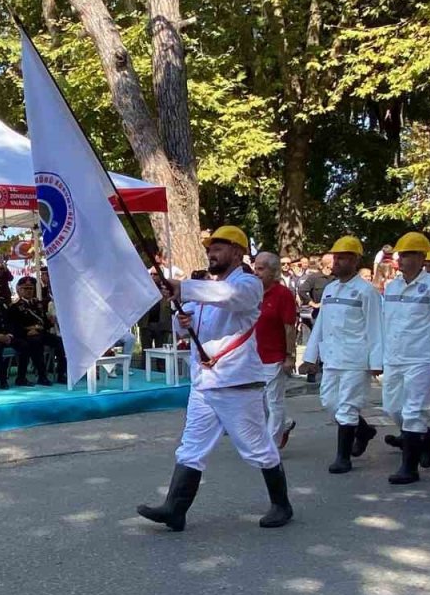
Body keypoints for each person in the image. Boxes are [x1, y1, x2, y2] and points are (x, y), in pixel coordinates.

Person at [135, 226, 293, 532]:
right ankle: (175, 509)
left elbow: (230, 298)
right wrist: (183, 319)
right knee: (191, 447)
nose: (211, 252)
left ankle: (281, 504)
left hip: (236, 383)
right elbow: (188, 322)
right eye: (210, 248)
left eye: (219, 247)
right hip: (205, 382)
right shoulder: (208, 286)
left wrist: (184, 287)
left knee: (257, 448)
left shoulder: (248, 283)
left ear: (236, 252)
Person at [299, 236, 383, 474]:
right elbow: (321, 324)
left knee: (346, 406)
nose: (337, 262)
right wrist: (309, 357)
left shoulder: (366, 292)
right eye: (336, 257)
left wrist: (376, 362)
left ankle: (343, 458)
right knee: (329, 402)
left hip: (356, 359)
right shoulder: (330, 290)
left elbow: (376, 327)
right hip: (332, 356)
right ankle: (363, 430)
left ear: (355, 260)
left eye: (343, 257)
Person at [379, 232, 430, 485]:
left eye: (409, 255)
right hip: (395, 356)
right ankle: (427, 438)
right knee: (392, 408)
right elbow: (386, 322)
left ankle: (409, 468)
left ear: (421, 257)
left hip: (421, 357)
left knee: (413, 411)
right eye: (401, 255)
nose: (403, 259)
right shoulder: (392, 286)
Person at [252, 252, 298, 450]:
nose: (256, 272)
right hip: (252, 357)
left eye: (261, 269)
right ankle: (284, 424)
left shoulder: (283, 294)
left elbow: (289, 327)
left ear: (273, 271)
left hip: (274, 356)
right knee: (257, 402)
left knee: (273, 401)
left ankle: (270, 447)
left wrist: (289, 356)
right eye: (255, 268)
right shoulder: (252, 292)